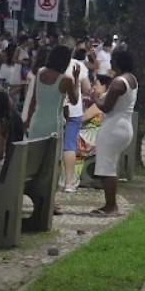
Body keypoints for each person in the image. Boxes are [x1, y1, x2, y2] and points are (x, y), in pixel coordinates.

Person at [89, 49, 137, 216]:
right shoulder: (131, 79)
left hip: (113, 127)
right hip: (124, 125)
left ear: (117, 62)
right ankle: (110, 204)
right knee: (109, 166)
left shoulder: (118, 82)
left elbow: (106, 107)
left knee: (106, 168)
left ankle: (111, 205)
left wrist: (95, 97)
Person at [62, 44, 90, 192]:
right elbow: (87, 88)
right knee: (70, 145)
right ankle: (68, 181)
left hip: (57, 110)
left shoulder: (51, 66)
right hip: (74, 110)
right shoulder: (78, 65)